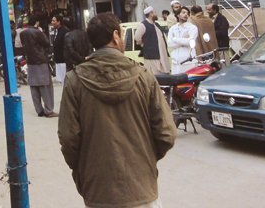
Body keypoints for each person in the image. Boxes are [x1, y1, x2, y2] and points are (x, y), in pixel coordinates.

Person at [58, 13, 176, 208]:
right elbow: (166, 134)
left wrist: (83, 169)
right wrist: (144, 158)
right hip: (142, 189)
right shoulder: (144, 77)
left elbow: (69, 138)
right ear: (115, 36)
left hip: (98, 190)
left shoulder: (74, 80)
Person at [21, 17, 56, 117]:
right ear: (36, 23)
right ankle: (49, 110)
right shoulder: (37, 32)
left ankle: (39, 110)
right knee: (45, 86)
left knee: (34, 86)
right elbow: (46, 43)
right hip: (40, 61)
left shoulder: (23, 33)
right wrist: (41, 31)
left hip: (30, 62)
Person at [135, 7, 170, 75]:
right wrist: (144, 44)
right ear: (151, 14)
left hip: (161, 55)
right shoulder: (143, 24)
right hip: (152, 57)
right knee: (155, 76)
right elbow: (137, 37)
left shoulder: (156, 24)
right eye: (155, 12)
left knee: (164, 75)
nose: (156, 14)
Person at [167, 7, 198, 74]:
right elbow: (170, 43)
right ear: (178, 15)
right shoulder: (173, 28)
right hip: (176, 62)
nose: (186, 14)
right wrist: (183, 42)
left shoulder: (192, 27)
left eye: (187, 13)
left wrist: (175, 39)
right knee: (176, 82)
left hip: (188, 61)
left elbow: (191, 42)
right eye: (183, 12)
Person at [51, 15, 69, 84]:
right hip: (59, 61)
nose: (52, 22)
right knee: (62, 82)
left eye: (54, 21)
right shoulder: (57, 31)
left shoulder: (64, 31)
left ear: (59, 22)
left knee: (66, 82)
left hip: (64, 61)